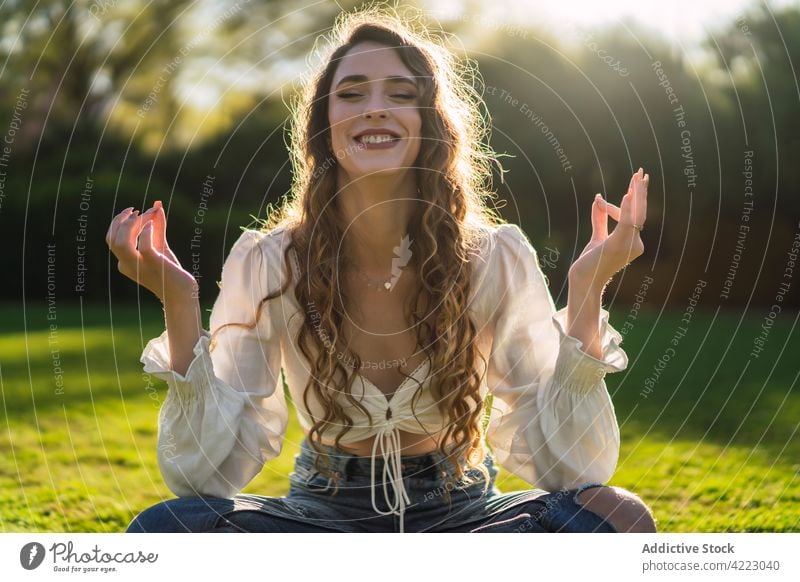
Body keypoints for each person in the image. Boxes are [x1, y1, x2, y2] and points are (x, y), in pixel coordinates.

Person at [107, 7, 656, 533]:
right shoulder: (268, 261)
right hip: (321, 518)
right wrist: (178, 303)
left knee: (617, 517)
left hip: (464, 515)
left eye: (401, 94)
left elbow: (574, 471)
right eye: (351, 94)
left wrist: (588, 289)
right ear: (325, 125)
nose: (374, 107)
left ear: (429, 123)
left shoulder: (495, 256)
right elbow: (200, 478)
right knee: (168, 528)